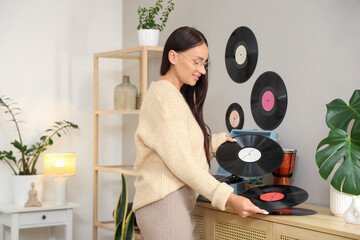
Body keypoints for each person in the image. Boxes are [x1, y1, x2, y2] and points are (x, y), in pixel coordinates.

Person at [133, 26, 268, 240]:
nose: (202, 70)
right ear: (173, 56)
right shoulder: (165, 99)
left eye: (204, 64)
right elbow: (183, 164)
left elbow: (176, 146)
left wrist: (214, 143)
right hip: (165, 205)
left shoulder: (171, 96)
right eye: (196, 62)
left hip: (169, 203)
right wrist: (230, 198)